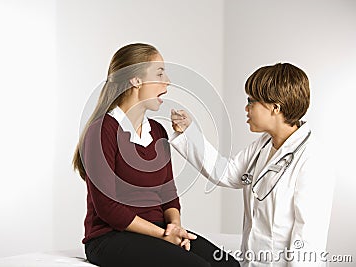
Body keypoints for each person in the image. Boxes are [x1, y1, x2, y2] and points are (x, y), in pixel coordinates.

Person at [72, 43, 239, 267]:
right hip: (109, 237)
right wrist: (163, 236)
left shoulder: (158, 131)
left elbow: (168, 194)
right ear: (136, 80)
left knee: (228, 265)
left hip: (157, 231)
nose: (167, 81)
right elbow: (107, 208)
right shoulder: (102, 130)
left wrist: (175, 227)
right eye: (159, 73)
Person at [170, 63, 335, 266]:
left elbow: (309, 241)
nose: (246, 108)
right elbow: (226, 173)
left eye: (251, 101)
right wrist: (190, 132)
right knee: (192, 252)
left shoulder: (313, 159)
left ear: (276, 107)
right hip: (251, 262)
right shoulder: (265, 144)